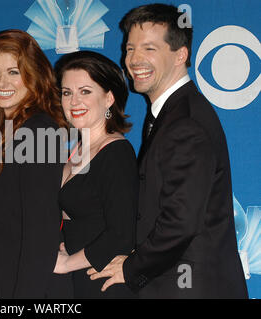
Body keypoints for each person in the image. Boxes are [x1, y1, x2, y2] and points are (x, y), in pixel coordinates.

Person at [88, 4, 248, 298]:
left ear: (181, 55)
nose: (133, 60)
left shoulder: (185, 122)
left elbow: (181, 222)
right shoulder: (172, 114)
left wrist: (131, 268)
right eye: (130, 49)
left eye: (149, 48)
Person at [0, 29, 73, 298]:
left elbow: (40, 232)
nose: (2, 82)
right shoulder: (2, 132)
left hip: (35, 288)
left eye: (14, 72)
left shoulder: (39, 130)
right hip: (13, 280)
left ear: (34, 75)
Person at [52, 51, 138, 299]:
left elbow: (122, 234)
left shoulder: (116, 153)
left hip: (103, 286)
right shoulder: (76, 152)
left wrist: (67, 264)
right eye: (67, 92)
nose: (74, 101)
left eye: (85, 91)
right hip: (76, 285)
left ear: (109, 98)